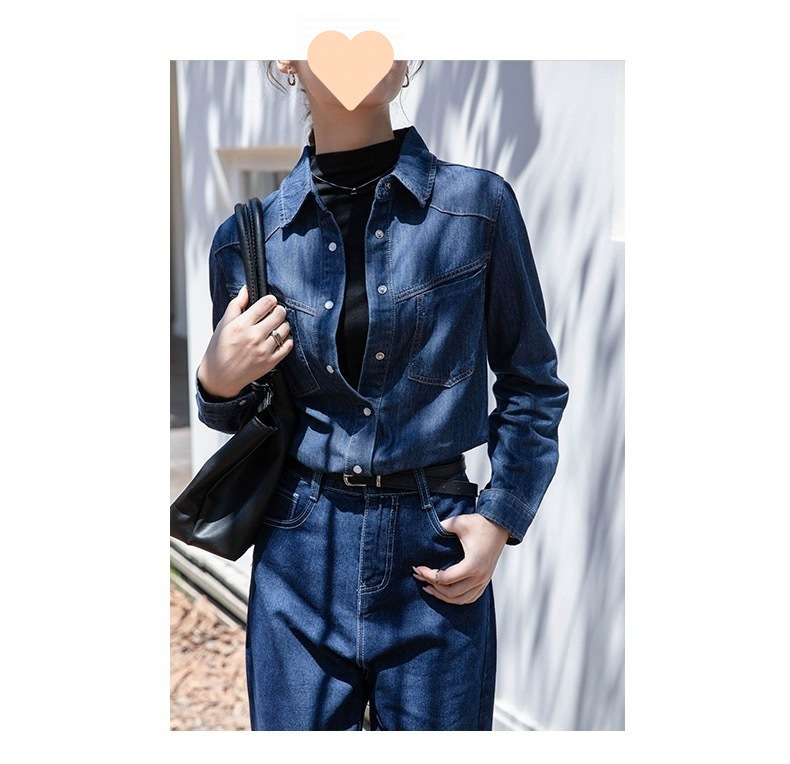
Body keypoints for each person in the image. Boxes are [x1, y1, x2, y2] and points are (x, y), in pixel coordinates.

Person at [195, 59, 569, 731]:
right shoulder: (247, 240)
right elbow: (250, 415)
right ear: (286, 59)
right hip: (297, 556)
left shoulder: (478, 207)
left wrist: (501, 516)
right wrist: (215, 382)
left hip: (434, 549)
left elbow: (531, 381)